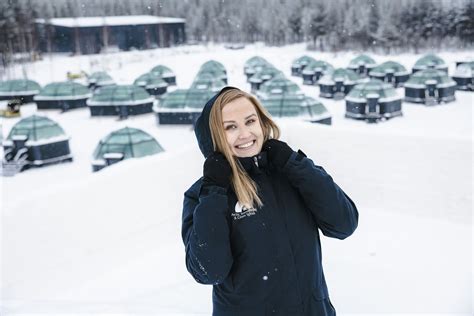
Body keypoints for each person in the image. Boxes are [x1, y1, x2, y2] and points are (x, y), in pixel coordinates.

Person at [182, 86, 359, 316]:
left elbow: (344, 224)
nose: (245, 133)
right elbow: (210, 270)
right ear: (214, 136)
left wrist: (295, 163)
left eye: (250, 121)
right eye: (230, 127)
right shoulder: (203, 195)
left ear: (262, 122)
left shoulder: (291, 174)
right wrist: (214, 191)